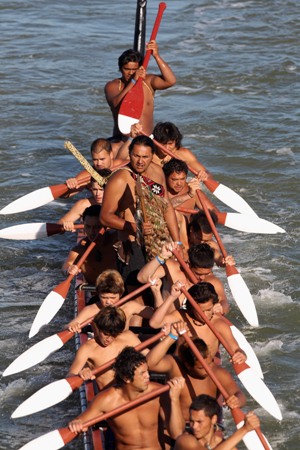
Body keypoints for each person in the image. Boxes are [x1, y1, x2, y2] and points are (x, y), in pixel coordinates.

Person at [68, 347, 186, 450]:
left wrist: (174, 399)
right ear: (126, 378)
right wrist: (76, 424)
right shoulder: (105, 401)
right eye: (142, 373)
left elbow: (177, 434)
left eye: (148, 371)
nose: (148, 376)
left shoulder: (159, 393)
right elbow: (79, 425)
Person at [100, 135, 180, 283]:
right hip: (133, 245)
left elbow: (167, 207)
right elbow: (105, 217)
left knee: (160, 288)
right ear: (129, 153)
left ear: (152, 156)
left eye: (145, 156)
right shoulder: (119, 178)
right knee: (139, 297)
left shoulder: (157, 172)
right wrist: (135, 228)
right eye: (136, 156)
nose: (140, 161)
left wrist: (177, 242)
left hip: (158, 243)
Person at [146, 321, 246, 421]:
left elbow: (240, 395)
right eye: (201, 368)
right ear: (187, 365)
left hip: (206, 429)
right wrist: (171, 336)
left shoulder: (218, 372)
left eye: (210, 362)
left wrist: (237, 400)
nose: (208, 369)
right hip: (176, 426)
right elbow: (150, 364)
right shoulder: (174, 365)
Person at [104, 42, 176, 149]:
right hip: (122, 141)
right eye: (127, 69)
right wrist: (133, 82)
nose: (131, 73)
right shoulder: (112, 86)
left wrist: (156, 56)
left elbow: (171, 81)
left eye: (134, 70)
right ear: (120, 69)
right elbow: (116, 104)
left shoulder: (148, 82)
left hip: (146, 140)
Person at [138, 242, 232, 315]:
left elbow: (225, 303)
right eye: (198, 273)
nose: (202, 278)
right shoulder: (172, 267)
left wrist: (221, 307)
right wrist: (162, 256)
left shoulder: (213, 281)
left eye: (207, 273)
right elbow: (142, 278)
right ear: (188, 264)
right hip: (166, 323)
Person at [66, 306, 145, 390]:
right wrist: (80, 375)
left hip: (133, 393)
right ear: (98, 328)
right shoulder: (87, 348)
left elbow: (148, 357)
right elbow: (70, 376)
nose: (109, 339)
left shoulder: (129, 337)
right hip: (110, 399)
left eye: (114, 335)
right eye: (105, 334)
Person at [66, 269, 154, 331]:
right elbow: (70, 324)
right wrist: (72, 325)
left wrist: (156, 292)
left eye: (112, 298)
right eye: (104, 297)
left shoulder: (130, 307)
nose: (108, 302)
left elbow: (156, 316)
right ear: (98, 294)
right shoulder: (92, 310)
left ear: (120, 294)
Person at [174, 394, 260, 450]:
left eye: (199, 422)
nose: (194, 427)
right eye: (192, 421)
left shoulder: (224, 444)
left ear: (214, 419)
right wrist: (244, 429)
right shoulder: (185, 440)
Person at [61, 205, 118, 285]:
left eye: (96, 227)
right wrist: (69, 269)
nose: (91, 232)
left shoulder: (116, 239)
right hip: (94, 292)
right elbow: (66, 266)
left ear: (105, 226)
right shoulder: (80, 249)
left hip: (117, 290)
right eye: (88, 227)